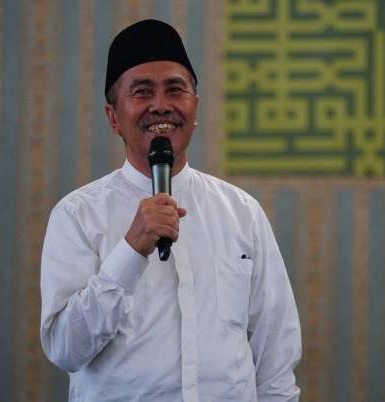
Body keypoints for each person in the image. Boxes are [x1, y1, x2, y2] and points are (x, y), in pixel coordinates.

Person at [39, 19, 301, 402]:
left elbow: (275, 355)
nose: (161, 105)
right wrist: (130, 252)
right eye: (142, 91)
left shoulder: (242, 212)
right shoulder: (78, 215)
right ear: (113, 117)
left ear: (195, 108)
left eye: (175, 89)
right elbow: (65, 348)